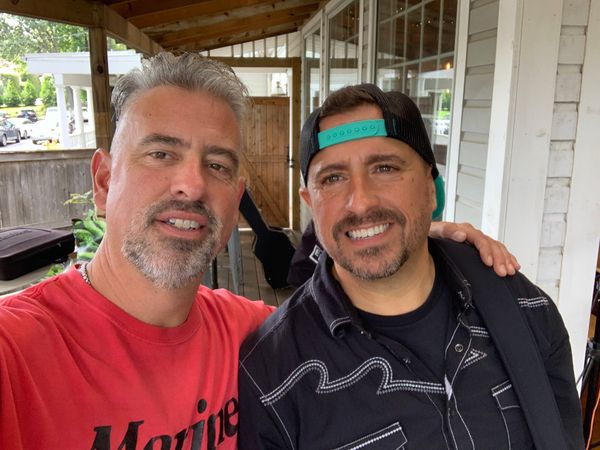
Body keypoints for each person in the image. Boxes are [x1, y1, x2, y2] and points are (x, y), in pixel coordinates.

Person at [0, 53, 517, 450]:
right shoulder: (17, 350)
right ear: (103, 180)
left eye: (218, 165)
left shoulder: (252, 335)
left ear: (236, 198)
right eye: (160, 153)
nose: (191, 184)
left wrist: (417, 234)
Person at [238, 84, 584, 449]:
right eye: (333, 178)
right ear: (310, 201)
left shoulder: (525, 309)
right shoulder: (273, 376)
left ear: (432, 188)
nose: (360, 203)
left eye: (385, 168)